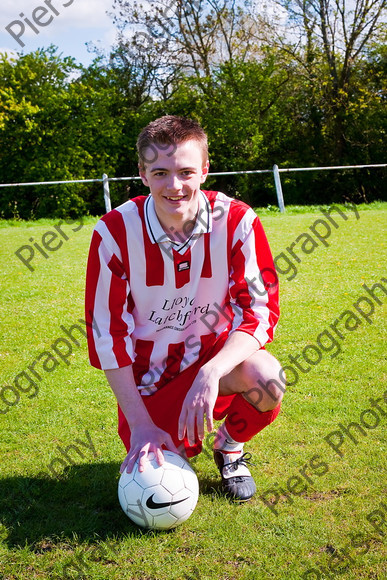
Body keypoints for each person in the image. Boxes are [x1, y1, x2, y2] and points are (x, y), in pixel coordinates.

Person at [85, 115, 285, 502]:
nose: (174, 186)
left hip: (214, 361)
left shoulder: (239, 221)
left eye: (186, 171)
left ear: (205, 171)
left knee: (268, 377)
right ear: (143, 174)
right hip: (150, 382)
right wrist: (141, 425)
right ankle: (157, 431)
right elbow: (107, 335)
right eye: (160, 172)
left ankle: (229, 449)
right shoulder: (113, 233)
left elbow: (260, 312)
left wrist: (210, 373)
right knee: (159, 474)